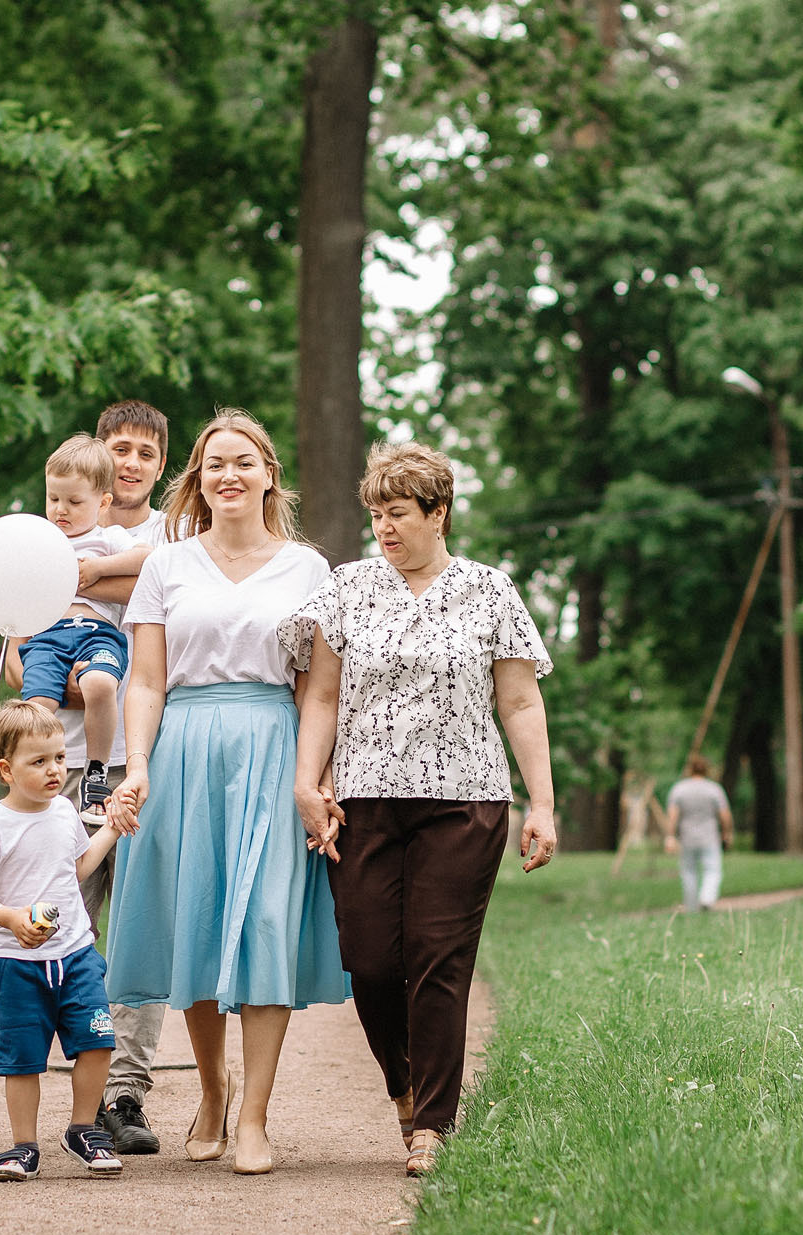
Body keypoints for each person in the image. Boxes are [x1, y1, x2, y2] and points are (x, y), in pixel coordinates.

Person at [288, 442, 560, 1179]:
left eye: (399, 513)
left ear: (438, 514)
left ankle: (433, 1125)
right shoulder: (346, 589)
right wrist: (306, 782)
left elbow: (520, 699)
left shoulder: (490, 591)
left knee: (439, 960)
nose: (384, 527)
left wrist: (542, 801)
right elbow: (320, 694)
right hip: (364, 802)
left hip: (465, 800)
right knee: (372, 961)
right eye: (375, 513)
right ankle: (404, 1088)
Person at [103, 409, 348, 1176]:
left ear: (270, 474)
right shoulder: (166, 565)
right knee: (198, 921)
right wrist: (136, 763)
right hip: (185, 748)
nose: (229, 475)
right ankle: (211, 1088)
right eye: (215, 465)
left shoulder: (309, 571)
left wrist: (314, 777)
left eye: (244, 462)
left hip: (276, 746)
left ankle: (254, 1116)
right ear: (199, 479)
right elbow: (145, 680)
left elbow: (318, 692)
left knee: (268, 920)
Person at [65, 399, 174, 1156]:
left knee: (141, 925)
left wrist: (96, 573)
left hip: (150, 759)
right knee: (69, 916)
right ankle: (76, 1080)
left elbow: (166, 577)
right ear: (98, 459)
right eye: (119, 449)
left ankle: (126, 1092)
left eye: (144, 452)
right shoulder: (55, 524)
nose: (131, 462)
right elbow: (16, 649)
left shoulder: (178, 533)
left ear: (161, 465)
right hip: (67, 761)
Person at [0, 703, 125, 1181]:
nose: (55, 770)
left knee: (98, 1043)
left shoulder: (66, 811)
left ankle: (82, 1129)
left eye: (59, 757)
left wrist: (111, 828)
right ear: (6, 769)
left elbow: (75, 871)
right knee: (22, 1060)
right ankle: (22, 1146)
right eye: (39, 761)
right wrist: (8, 918)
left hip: (75, 953)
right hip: (16, 963)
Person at [6, 434, 132, 819]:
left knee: (98, 684)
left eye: (74, 502)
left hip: (96, 635)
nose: (61, 510)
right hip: (48, 639)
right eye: (54, 499)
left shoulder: (108, 538)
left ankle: (97, 772)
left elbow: (148, 561)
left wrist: (99, 568)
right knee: (37, 704)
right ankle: (29, 777)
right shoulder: (38, 543)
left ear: (103, 502)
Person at [665, 755, 735, 912]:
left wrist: (670, 836)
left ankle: (691, 907)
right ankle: (707, 898)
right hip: (709, 836)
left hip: (687, 837)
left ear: (690, 769)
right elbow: (724, 814)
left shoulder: (679, 789)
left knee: (688, 872)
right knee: (713, 869)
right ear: (707, 770)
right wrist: (727, 833)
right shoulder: (714, 789)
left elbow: (673, 816)